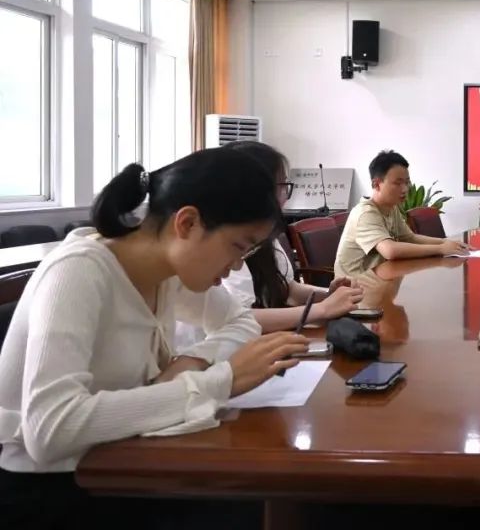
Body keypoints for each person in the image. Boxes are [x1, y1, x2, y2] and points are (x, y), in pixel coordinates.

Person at [0, 149, 309, 524]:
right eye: (238, 247)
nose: (238, 265)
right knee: (258, 505)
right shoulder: (79, 272)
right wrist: (219, 382)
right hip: (50, 490)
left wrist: (191, 361)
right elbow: (50, 430)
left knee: (269, 495)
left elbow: (240, 321)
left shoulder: (167, 273)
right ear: (188, 223)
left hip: (122, 460)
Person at [201, 141, 365, 334]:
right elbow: (237, 319)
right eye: (281, 186)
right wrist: (321, 309)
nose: (285, 197)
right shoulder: (223, 244)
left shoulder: (265, 236)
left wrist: (329, 296)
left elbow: (288, 290)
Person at [335, 150, 468, 276]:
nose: (405, 189)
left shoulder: (392, 207)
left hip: (381, 277)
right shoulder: (365, 213)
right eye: (397, 183)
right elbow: (390, 250)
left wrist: (446, 243)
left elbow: (410, 238)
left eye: (407, 182)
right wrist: (441, 249)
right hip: (355, 286)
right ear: (376, 184)